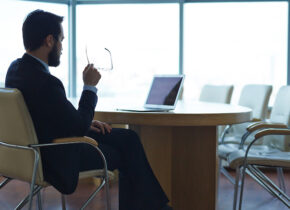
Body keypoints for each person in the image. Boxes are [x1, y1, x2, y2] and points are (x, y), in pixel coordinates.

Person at [5, 9, 172, 210]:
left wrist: (82, 121)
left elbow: (43, 115)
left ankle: (156, 207)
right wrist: (89, 87)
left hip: (33, 153)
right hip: (57, 158)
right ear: (49, 41)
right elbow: (75, 126)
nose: (62, 47)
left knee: (129, 138)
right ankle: (157, 207)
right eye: (61, 40)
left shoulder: (16, 70)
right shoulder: (47, 82)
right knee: (127, 150)